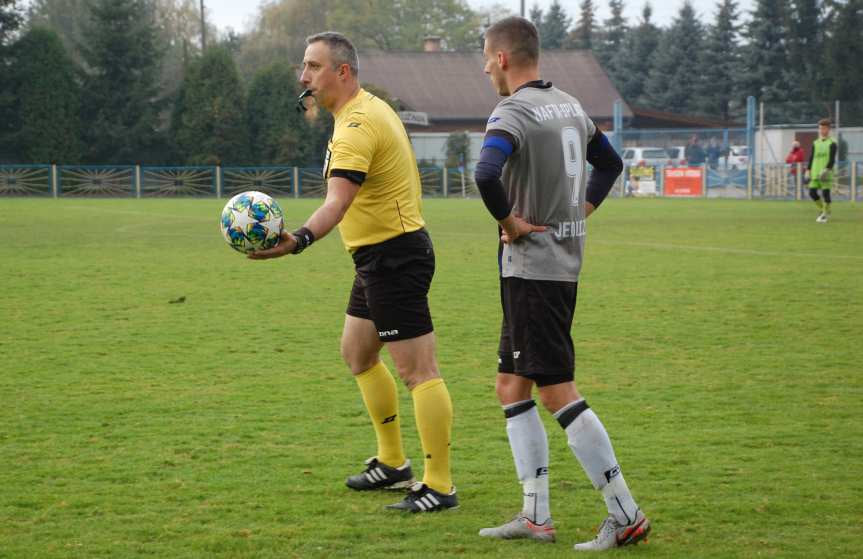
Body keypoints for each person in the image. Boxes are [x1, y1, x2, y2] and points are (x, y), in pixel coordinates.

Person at [249, 31, 457, 512]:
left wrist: (297, 240)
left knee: (418, 371)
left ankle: (440, 485)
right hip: (375, 256)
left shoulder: (357, 125)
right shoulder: (363, 110)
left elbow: (337, 202)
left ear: (342, 72)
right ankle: (393, 462)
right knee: (358, 353)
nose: (303, 76)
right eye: (304, 66)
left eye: (313, 66)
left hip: (395, 256)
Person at [472, 17, 650, 551]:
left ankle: (626, 514)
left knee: (555, 389)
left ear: (503, 58)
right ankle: (535, 517)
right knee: (511, 385)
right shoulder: (570, 105)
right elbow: (610, 163)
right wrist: (582, 209)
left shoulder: (514, 110)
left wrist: (510, 223)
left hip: (535, 270)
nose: (484, 68)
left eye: (486, 57)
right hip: (554, 266)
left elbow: (485, 173)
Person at [806, 118, 838, 223]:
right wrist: (808, 169)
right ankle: (822, 209)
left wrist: (826, 169)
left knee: (825, 194)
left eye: (824, 128)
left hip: (826, 173)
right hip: (815, 172)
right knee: (812, 193)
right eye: (820, 128)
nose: (822, 130)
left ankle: (824, 214)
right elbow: (811, 157)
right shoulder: (815, 143)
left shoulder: (832, 143)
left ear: (828, 129)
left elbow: (832, 159)